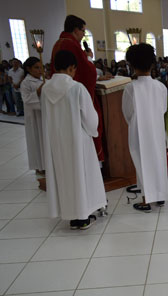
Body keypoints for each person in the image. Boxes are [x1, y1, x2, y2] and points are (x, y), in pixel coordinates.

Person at [41, 50, 106, 230]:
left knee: (65, 176)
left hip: (56, 141)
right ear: (71, 68)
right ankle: (83, 217)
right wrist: (93, 130)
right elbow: (90, 118)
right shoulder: (77, 88)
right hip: (78, 140)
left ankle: (72, 217)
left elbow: (46, 117)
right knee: (81, 175)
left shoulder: (46, 89)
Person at [122, 43, 168, 212]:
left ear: (132, 65)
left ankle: (146, 200)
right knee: (158, 160)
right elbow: (163, 109)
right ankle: (160, 196)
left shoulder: (130, 87)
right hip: (156, 128)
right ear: (152, 64)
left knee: (142, 162)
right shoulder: (160, 86)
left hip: (138, 129)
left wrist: (134, 123)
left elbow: (127, 112)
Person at [51, 15, 104, 161]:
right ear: (75, 29)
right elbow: (87, 73)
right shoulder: (72, 45)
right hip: (74, 98)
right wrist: (88, 58)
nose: (83, 35)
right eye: (83, 31)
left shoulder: (58, 43)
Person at [20, 57, 46, 174]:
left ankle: (47, 165)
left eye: (41, 67)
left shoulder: (43, 80)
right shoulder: (25, 83)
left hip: (44, 116)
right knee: (37, 141)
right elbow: (26, 100)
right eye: (36, 68)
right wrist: (38, 92)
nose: (40, 70)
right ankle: (39, 166)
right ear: (28, 69)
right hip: (34, 117)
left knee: (45, 140)